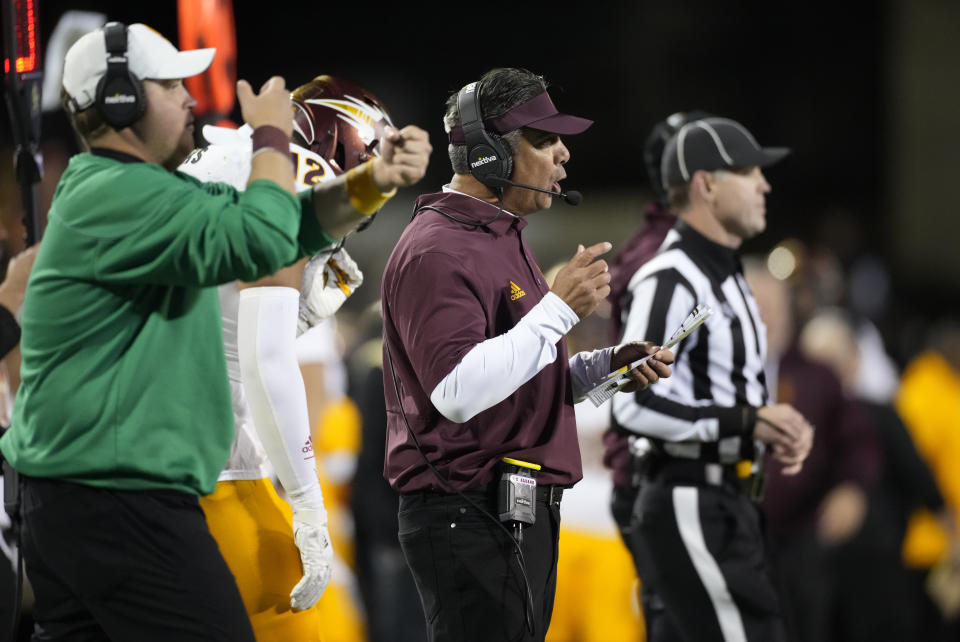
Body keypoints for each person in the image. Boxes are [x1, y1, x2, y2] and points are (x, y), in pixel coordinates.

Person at [0, 22, 419, 640]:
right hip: (121, 495)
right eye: (171, 86)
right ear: (124, 101)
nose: (191, 98)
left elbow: (290, 231)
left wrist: (368, 185)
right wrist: (273, 137)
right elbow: (261, 243)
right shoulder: (127, 193)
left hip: (83, 493)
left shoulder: (133, 191)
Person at [380, 67, 674, 642]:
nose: (563, 154)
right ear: (489, 153)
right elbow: (458, 393)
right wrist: (561, 308)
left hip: (506, 508)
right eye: (543, 140)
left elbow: (517, 379)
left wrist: (606, 370)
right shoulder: (438, 248)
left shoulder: (496, 237)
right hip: (469, 509)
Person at [178, 74, 429, 640]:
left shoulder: (211, 161)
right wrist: (307, 505)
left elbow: (218, 326)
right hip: (212, 463)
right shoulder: (282, 171)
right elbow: (262, 361)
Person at [611, 116, 814, 642]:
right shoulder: (671, 276)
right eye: (748, 172)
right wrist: (749, 422)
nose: (764, 185)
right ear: (705, 184)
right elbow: (630, 404)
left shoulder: (725, 273)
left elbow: (729, 389)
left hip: (728, 500)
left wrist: (773, 428)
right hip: (689, 498)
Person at [604, 110, 711, 565]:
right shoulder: (667, 258)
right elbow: (638, 380)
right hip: (663, 473)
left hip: (664, 471)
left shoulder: (671, 244)